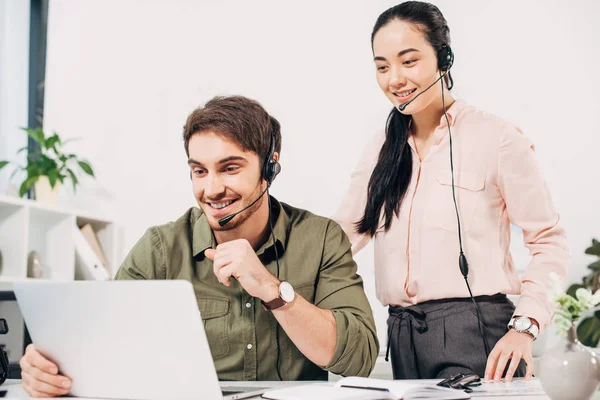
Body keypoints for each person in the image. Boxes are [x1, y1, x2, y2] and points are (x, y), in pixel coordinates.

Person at [19, 95, 379, 397]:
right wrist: (47, 368)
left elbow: (358, 358)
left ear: (270, 167)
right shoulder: (160, 249)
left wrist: (271, 289)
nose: (211, 190)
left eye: (229, 168)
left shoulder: (320, 238)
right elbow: (104, 347)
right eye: (199, 171)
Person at [334, 1, 569, 381]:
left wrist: (525, 327)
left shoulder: (497, 138)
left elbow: (549, 241)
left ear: (444, 58)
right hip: (401, 334)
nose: (394, 79)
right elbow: (342, 235)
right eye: (382, 66)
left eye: (408, 61)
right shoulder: (381, 147)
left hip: (476, 333)